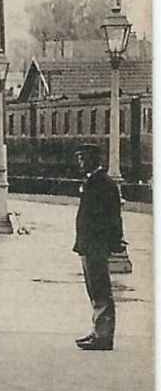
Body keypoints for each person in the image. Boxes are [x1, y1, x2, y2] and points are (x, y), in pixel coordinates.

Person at [72, 144, 124, 350]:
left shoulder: (102, 182)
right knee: (94, 288)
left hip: (96, 244)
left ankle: (103, 336)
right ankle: (98, 331)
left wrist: (114, 240)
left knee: (100, 288)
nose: (80, 162)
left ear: (93, 159)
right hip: (89, 244)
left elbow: (113, 215)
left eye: (83, 158)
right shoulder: (94, 181)